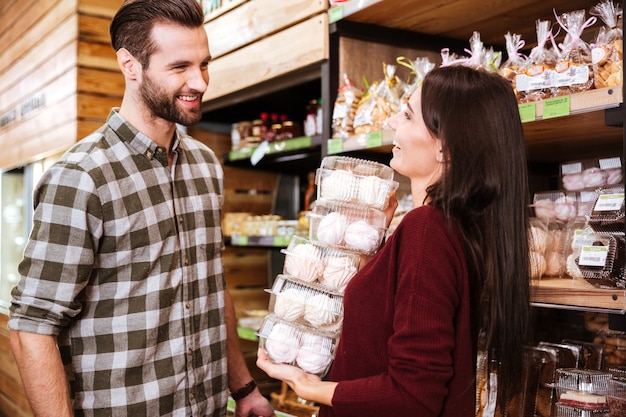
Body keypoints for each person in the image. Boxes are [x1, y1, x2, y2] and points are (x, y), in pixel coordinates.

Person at [8, 1, 275, 416]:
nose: (200, 82)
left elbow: (209, 285)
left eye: (204, 64)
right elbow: (32, 328)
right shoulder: (81, 177)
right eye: (180, 67)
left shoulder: (205, 165)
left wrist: (243, 389)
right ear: (130, 65)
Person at [257, 65, 531, 417]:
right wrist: (379, 247)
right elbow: (387, 322)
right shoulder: (447, 226)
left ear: (446, 148)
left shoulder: (427, 229)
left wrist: (311, 387)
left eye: (406, 115)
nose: (391, 124)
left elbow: (413, 395)